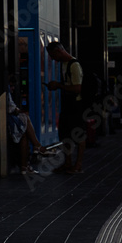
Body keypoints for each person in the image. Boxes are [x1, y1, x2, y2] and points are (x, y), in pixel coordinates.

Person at [46, 41, 86, 174]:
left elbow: (77, 88)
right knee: (64, 133)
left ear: (58, 51)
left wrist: (58, 86)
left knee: (79, 134)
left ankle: (78, 165)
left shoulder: (74, 65)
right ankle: (68, 162)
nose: (52, 59)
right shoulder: (63, 64)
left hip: (76, 104)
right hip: (68, 104)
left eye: (52, 55)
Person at [7, 76, 54, 174]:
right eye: (11, 86)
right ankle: (37, 146)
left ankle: (25, 166)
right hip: (8, 122)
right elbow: (11, 107)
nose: (13, 88)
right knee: (26, 119)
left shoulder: (7, 93)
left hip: (10, 121)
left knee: (24, 133)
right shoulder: (6, 93)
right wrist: (19, 111)